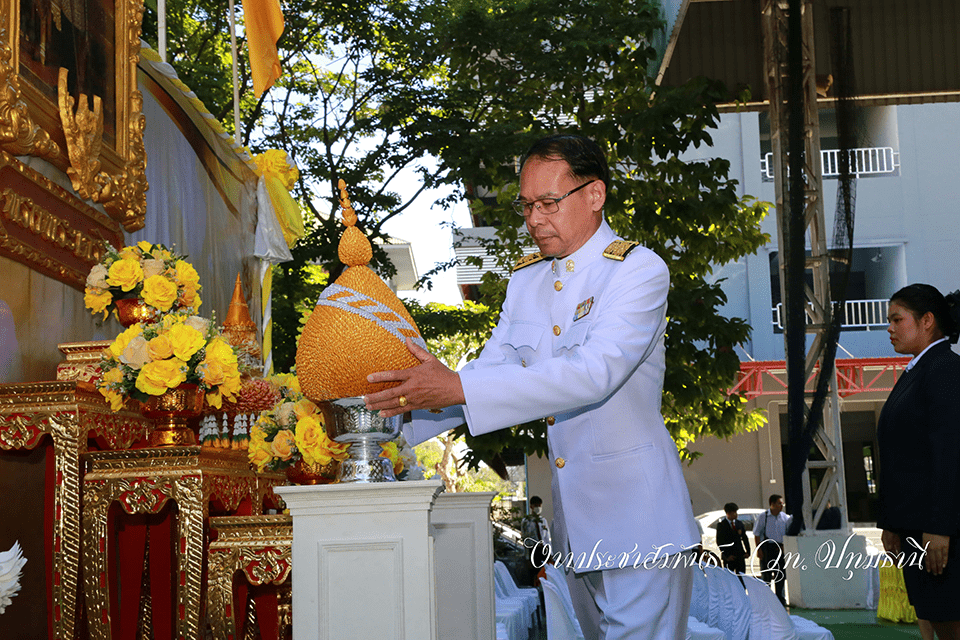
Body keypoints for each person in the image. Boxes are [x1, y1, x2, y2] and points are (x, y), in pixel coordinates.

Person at [365, 133, 701, 640]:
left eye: (548, 203)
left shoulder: (637, 271)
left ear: (594, 194)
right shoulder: (527, 282)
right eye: (526, 206)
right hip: (576, 529)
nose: (534, 219)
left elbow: (594, 372)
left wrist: (456, 387)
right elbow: (491, 370)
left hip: (640, 520)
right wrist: (393, 416)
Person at [877, 284, 960, 640]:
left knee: (946, 621)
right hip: (915, 527)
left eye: (897, 319)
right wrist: (892, 524)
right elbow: (901, 458)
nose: (890, 328)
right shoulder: (918, 370)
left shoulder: (943, 369)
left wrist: (941, 526)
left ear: (927, 321)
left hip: (937, 532)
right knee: (929, 618)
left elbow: (949, 451)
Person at [754, 494, 791, 606]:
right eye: (779, 503)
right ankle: (767, 600)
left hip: (779, 548)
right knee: (766, 575)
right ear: (772, 504)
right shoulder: (763, 517)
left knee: (780, 575)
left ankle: (780, 599)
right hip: (767, 548)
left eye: (782, 503)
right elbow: (756, 533)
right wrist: (759, 549)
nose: (782, 506)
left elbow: (788, 533)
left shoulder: (785, 518)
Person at [521, 496, 551, 585]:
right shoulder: (526, 521)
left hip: (543, 550)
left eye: (539, 506)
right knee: (535, 575)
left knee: (546, 574)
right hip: (533, 550)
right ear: (531, 507)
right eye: (536, 506)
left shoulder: (543, 521)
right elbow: (525, 540)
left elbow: (547, 538)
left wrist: (550, 553)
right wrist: (527, 557)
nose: (538, 508)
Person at [715, 502, 751, 574]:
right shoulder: (722, 525)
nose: (736, 514)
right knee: (729, 577)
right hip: (729, 556)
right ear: (728, 513)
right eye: (734, 512)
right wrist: (726, 555)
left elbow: (744, 538)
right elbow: (719, 541)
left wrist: (748, 551)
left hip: (740, 555)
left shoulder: (739, 523)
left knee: (741, 576)